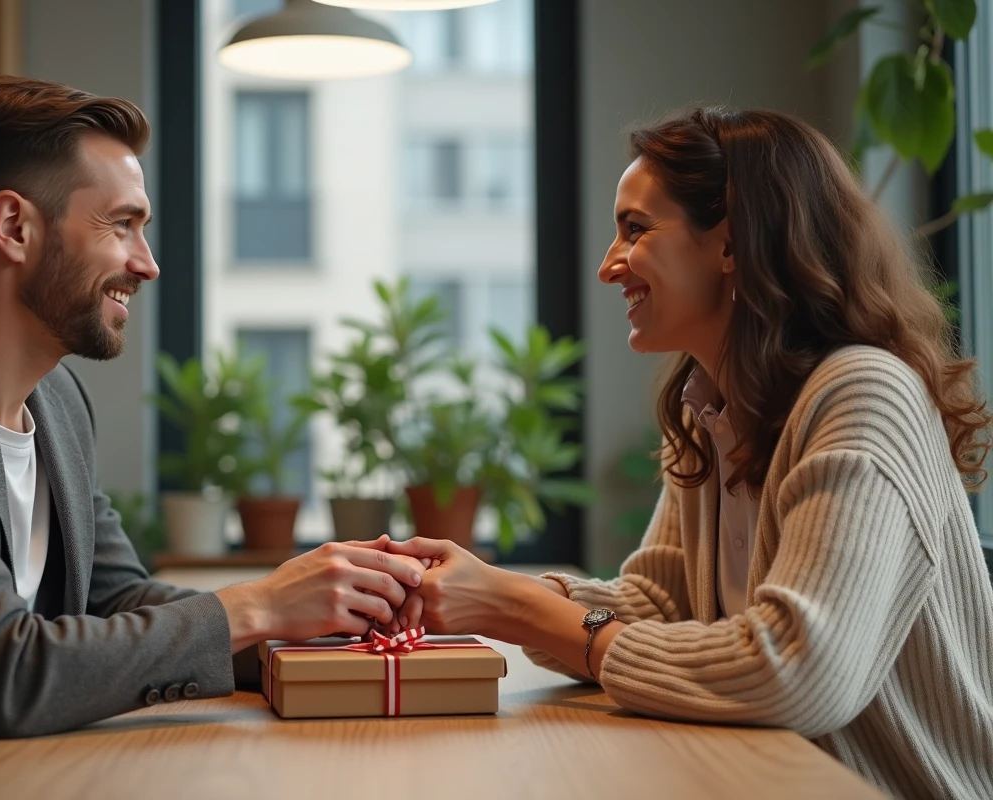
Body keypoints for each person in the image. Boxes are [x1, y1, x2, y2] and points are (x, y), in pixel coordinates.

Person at [0, 75, 425, 798]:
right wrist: (261, 606)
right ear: (14, 227)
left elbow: (115, 599)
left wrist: (314, 627)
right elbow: (2, 670)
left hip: (36, 777)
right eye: (121, 224)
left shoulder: (57, 400)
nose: (147, 262)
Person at [382, 107, 993, 799]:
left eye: (635, 230)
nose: (609, 266)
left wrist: (517, 610)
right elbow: (662, 604)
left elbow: (796, 671)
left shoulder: (865, 393)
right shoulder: (713, 407)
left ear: (731, 241)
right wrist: (491, 593)